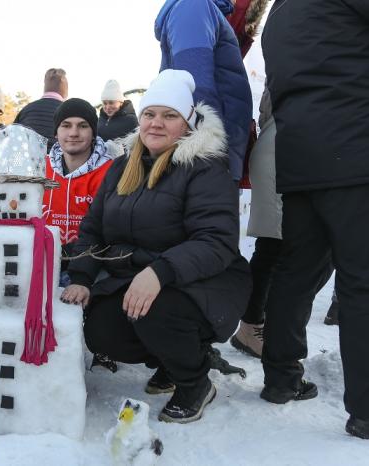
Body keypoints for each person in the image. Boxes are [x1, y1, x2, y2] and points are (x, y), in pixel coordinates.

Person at [62, 70, 250, 424]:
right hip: (138, 277)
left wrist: (159, 272)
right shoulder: (122, 168)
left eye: (170, 115)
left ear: (188, 123)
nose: (156, 124)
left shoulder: (205, 168)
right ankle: (169, 360)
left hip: (206, 282)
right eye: (150, 114)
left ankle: (194, 381)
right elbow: (93, 229)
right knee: (101, 330)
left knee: (155, 312)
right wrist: (82, 278)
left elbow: (216, 242)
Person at [260, 0, 369, 439]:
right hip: (355, 148)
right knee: (362, 281)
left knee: (297, 270)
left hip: (300, 155)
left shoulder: (279, 13)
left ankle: (280, 377)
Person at [155, 0, 252, 181]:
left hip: (210, 154)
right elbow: (195, 84)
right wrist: (209, 151)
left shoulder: (203, 9)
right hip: (207, 156)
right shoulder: (195, 6)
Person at [44, 98, 114, 273]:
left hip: (91, 266)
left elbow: (110, 230)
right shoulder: (38, 168)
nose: (73, 133)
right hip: (42, 261)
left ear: (93, 133)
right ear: (56, 132)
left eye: (83, 126)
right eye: (66, 125)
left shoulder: (111, 171)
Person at [14, 68, 68, 149]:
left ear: (45, 86)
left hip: (28, 159)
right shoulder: (69, 112)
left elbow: (13, 137)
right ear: (65, 89)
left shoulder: (26, 110)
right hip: (58, 160)